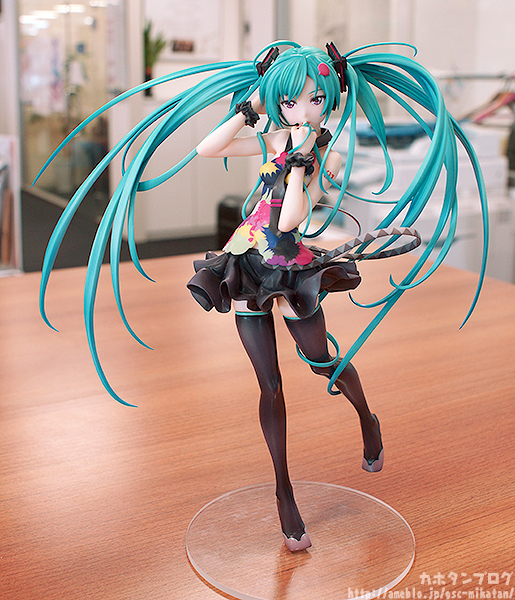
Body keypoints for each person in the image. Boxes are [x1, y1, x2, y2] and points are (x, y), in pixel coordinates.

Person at [36, 41, 489, 552]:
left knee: (322, 362)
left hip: (290, 264)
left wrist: (300, 165)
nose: (303, 110)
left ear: (331, 99)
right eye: (290, 101)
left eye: (316, 100)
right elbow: (208, 148)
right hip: (247, 258)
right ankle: (283, 493)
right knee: (269, 385)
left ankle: (367, 418)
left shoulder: (326, 154)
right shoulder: (273, 137)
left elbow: (293, 217)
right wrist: (250, 109)